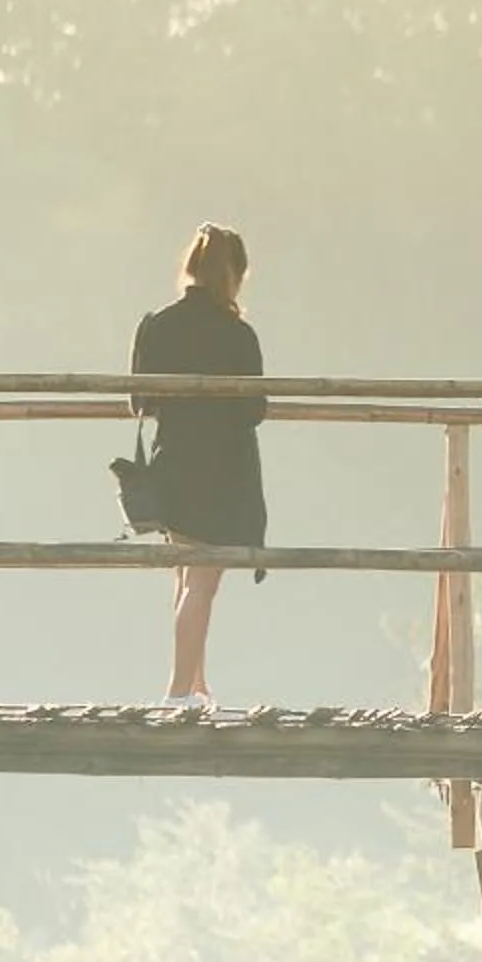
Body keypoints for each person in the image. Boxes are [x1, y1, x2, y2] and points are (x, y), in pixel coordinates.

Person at [129, 223, 268, 708]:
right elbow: (254, 409)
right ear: (234, 274)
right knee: (203, 583)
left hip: (174, 464)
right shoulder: (237, 334)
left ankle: (195, 682)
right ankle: (179, 691)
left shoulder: (158, 324)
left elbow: (139, 401)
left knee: (188, 578)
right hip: (221, 471)